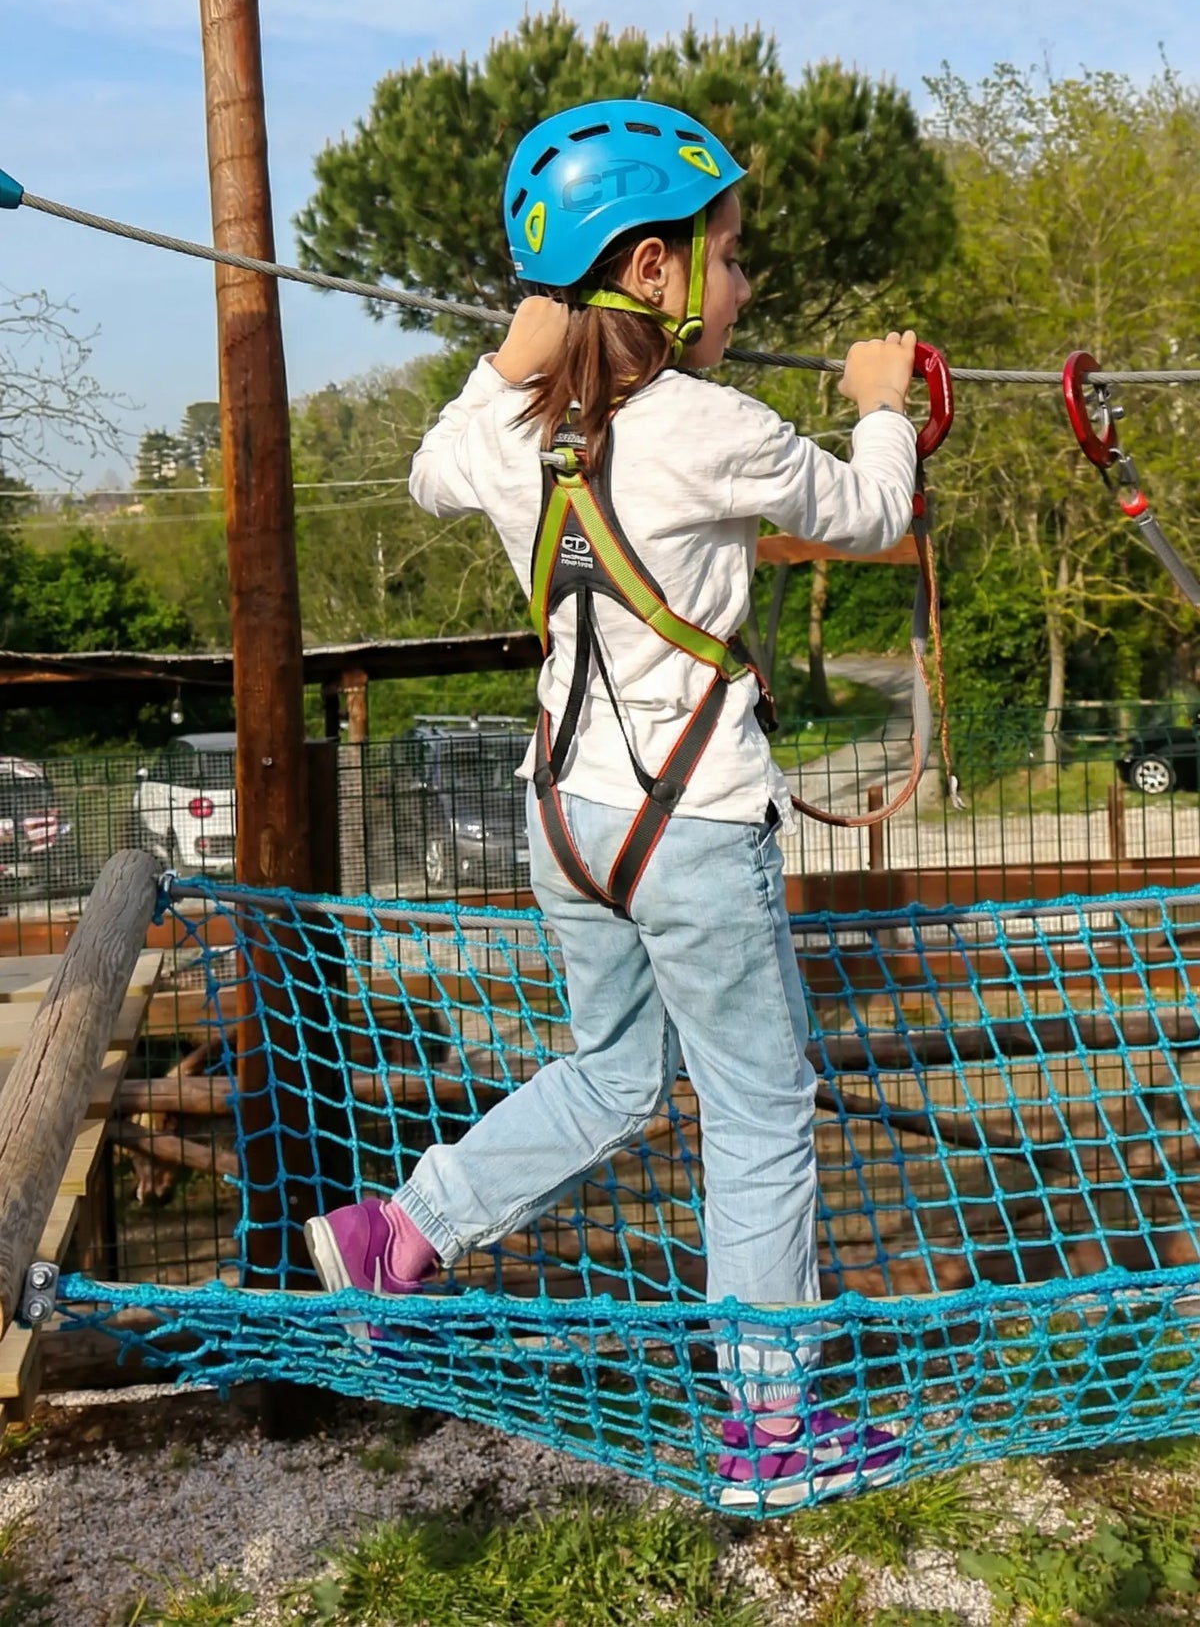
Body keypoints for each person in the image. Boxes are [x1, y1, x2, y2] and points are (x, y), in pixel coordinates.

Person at [305, 99, 916, 1506]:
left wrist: (511, 350)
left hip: (567, 820)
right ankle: (772, 1431)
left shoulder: (511, 430)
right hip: (691, 822)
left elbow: (431, 463)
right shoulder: (712, 424)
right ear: (653, 269)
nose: (743, 284)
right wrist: (883, 402)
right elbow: (874, 511)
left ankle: (400, 1232)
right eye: (728, 255)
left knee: (615, 1070)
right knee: (760, 1110)